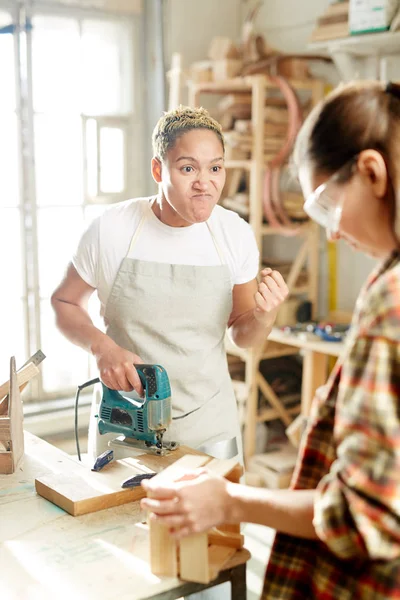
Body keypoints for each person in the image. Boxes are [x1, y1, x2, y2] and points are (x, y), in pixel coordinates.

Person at [140, 80, 400, 600]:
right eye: (188, 168)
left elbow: (361, 518)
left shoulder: (389, 299)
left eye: (326, 208)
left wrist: (231, 501)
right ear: (160, 170)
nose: (329, 233)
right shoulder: (386, 275)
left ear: (371, 171)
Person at [51, 105, 288, 464]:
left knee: (213, 522)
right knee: (117, 520)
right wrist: (102, 348)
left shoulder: (234, 234)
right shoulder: (112, 230)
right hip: (127, 419)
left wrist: (265, 316)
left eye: (215, 168)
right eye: (188, 168)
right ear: (158, 169)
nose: (204, 183)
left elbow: (242, 335)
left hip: (208, 424)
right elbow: (64, 303)